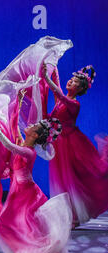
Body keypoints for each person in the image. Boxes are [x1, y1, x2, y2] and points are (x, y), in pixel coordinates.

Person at [0, 89, 72, 253]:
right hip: (18, 191)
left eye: (34, 126)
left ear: (35, 135)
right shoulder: (24, 144)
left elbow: (9, 145)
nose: (30, 125)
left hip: (26, 194)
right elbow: (13, 129)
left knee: (14, 226)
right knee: (11, 226)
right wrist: (17, 104)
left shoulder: (29, 152)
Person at [42, 63, 108, 225]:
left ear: (81, 88)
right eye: (71, 79)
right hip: (59, 143)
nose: (70, 81)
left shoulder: (74, 103)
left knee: (72, 179)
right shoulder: (61, 101)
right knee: (62, 180)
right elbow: (56, 86)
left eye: (75, 81)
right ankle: (66, 214)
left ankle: (75, 215)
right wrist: (54, 67)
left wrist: (45, 78)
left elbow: (57, 91)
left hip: (72, 144)